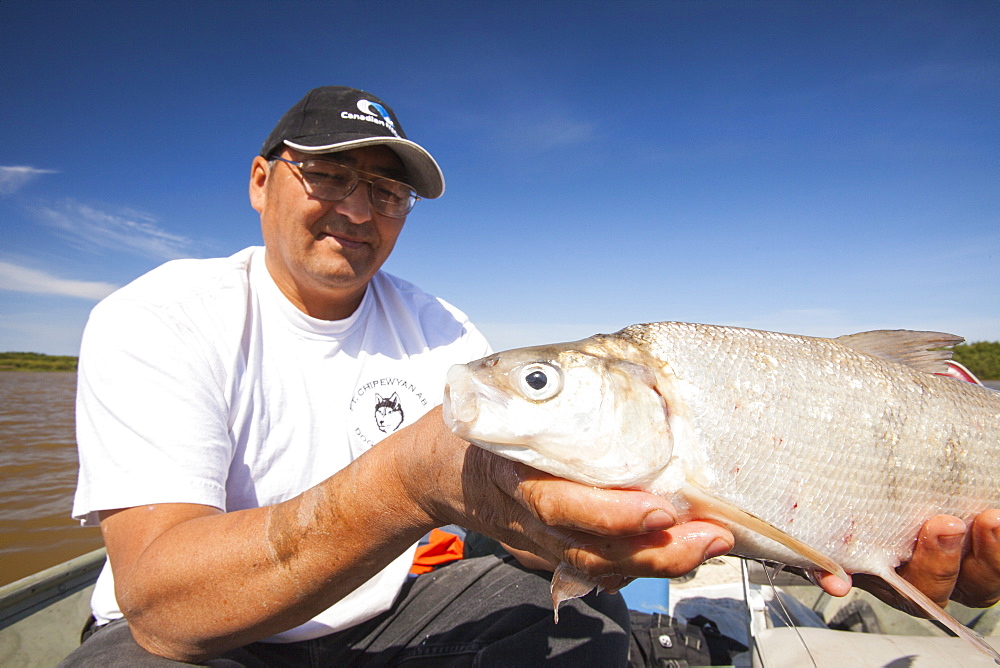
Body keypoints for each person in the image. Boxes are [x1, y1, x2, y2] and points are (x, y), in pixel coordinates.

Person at [61, 86, 1000, 667]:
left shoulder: (441, 331)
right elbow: (163, 608)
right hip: (201, 644)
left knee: (584, 631)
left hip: (398, 614)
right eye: (329, 177)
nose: (359, 209)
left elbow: (525, 519)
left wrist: (838, 546)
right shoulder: (159, 316)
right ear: (263, 179)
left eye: (386, 192)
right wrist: (409, 482)